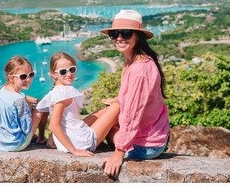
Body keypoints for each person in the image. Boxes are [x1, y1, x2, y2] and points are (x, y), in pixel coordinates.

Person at [100, 10, 170, 177]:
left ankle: (67, 142)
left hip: (147, 146)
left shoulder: (139, 69)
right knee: (105, 115)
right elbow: (137, 99)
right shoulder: (136, 60)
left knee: (100, 131)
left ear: (138, 36)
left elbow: (133, 113)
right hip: (153, 134)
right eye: (114, 33)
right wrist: (119, 100)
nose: (119, 37)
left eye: (125, 33)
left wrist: (118, 153)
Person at [36, 52, 120, 157]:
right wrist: (74, 151)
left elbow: (62, 120)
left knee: (103, 111)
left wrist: (52, 140)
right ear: (53, 74)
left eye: (72, 69)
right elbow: (53, 125)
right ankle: (120, 140)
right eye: (63, 72)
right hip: (82, 143)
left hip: (76, 137)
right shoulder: (63, 93)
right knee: (117, 106)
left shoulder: (56, 91)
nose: (69, 74)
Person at [0, 56, 47, 151]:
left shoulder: (3, 90)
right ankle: (41, 138)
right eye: (23, 76)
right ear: (11, 78)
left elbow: (22, 96)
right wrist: (40, 106)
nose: (28, 79)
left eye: (31, 75)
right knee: (42, 108)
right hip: (15, 144)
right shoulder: (19, 100)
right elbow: (26, 129)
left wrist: (37, 100)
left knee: (33, 105)